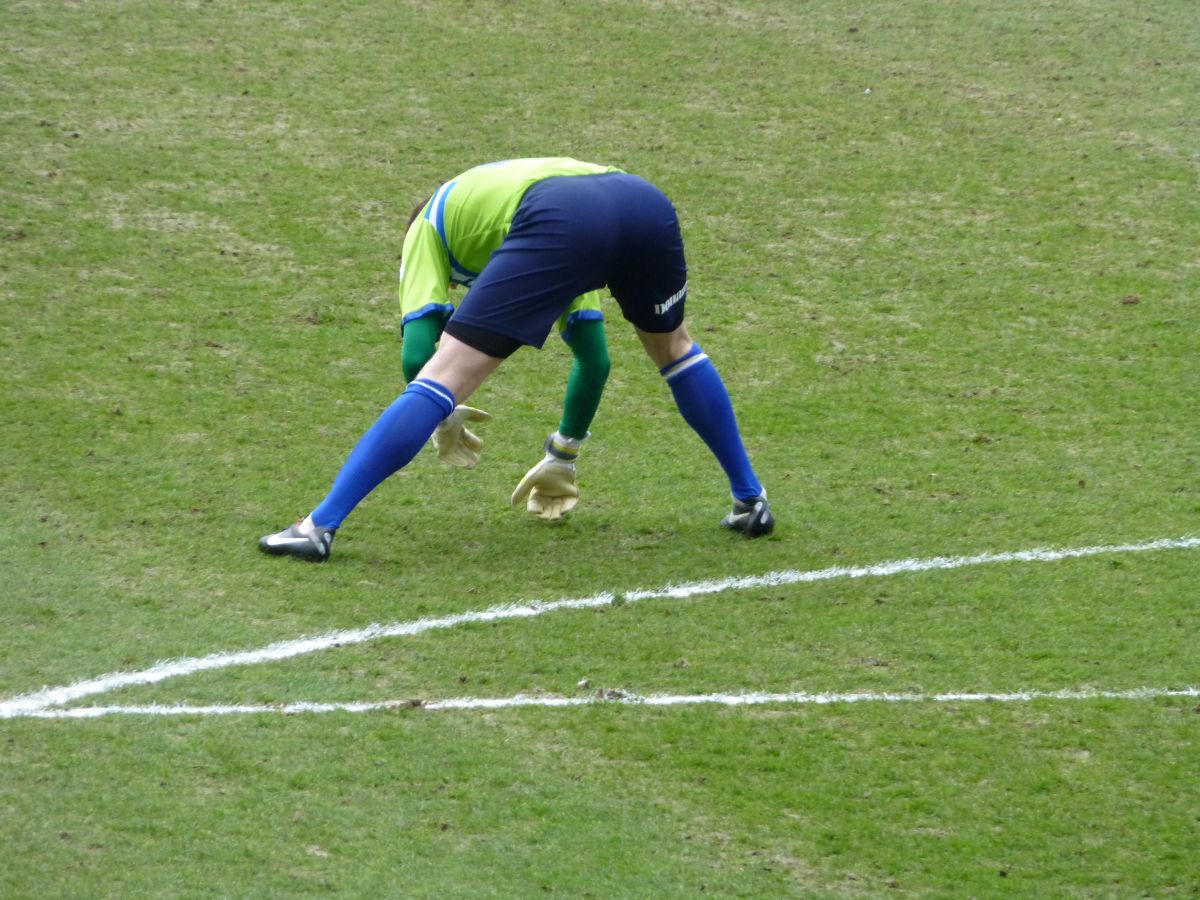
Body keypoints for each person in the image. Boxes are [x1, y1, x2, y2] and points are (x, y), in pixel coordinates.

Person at [260, 157, 774, 562]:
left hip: (562, 215)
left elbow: (419, 351)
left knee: (445, 374)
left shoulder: (427, 228)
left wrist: (448, 415)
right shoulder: (512, 219)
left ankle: (317, 527)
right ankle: (750, 499)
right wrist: (562, 454)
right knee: (674, 348)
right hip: (641, 202)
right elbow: (594, 360)